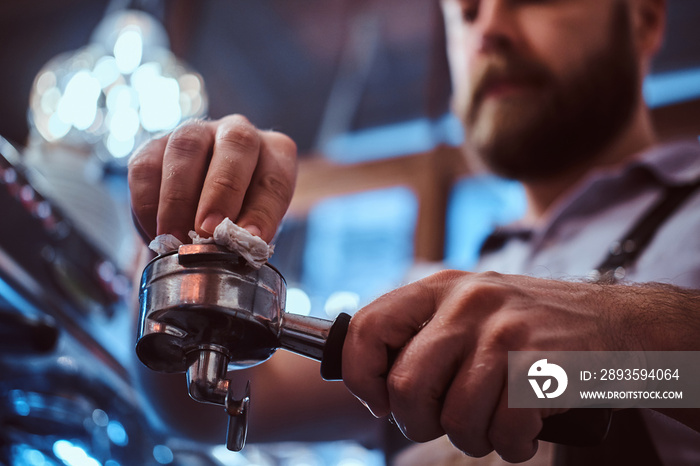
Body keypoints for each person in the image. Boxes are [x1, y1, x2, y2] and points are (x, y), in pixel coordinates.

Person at [128, 0, 700, 463]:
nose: (490, 29)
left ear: (643, 19)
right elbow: (201, 408)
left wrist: (626, 334)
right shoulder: (422, 302)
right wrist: (174, 239)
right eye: (468, 12)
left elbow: (671, 379)